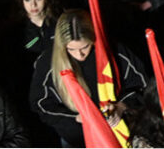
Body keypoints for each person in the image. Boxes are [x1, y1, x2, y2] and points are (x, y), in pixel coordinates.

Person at [29, 9, 149, 146]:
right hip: (78, 138)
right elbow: (40, 104)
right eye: (71, 49)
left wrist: (121, 106)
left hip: (120, 131)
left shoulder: (115, 52)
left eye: (85, 47)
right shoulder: (48, 62)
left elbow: (142, 86)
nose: (79, 55)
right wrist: (76, 118)